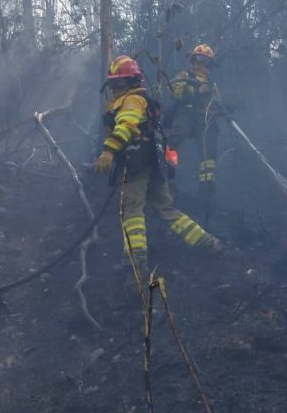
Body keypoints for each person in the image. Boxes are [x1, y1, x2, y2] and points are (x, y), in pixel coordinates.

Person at [94, 55, 222, 278]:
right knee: (167, 209)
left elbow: (127, 125)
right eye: (113, 83)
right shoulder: (139, 98)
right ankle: (207, 242)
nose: (116, 88)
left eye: (120, 83)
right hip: (153, 162)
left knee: (131, 210)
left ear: (133, 82)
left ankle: (135, 263)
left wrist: (108, 151)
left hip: (135, 163)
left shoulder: (132, 101)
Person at [167, 44, 224, 205]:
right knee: (174, 141)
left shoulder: (211, 83)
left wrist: (221, 108)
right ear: (193, 60)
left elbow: (217, 101)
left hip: (205, 118)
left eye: (206, 61)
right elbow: (175, 93)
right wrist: (197, 91)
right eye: (199, 59)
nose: (202, 64)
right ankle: (167, 178)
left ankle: (207, 185)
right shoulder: (185, 75)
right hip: (187, 113)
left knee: (209, 147)